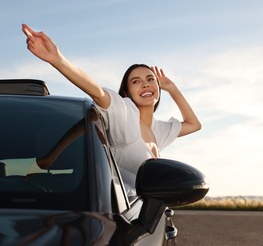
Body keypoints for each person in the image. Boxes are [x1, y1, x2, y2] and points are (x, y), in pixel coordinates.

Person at [22, 24, 201, 195]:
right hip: (120, 215)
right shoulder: (125, 113)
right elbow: (98, 93)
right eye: (136, 81)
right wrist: (58, 60)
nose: (145, 84)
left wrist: (172, 88)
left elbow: (194, 125)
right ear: (126, 92)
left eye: (150, 79)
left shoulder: (158, 128)